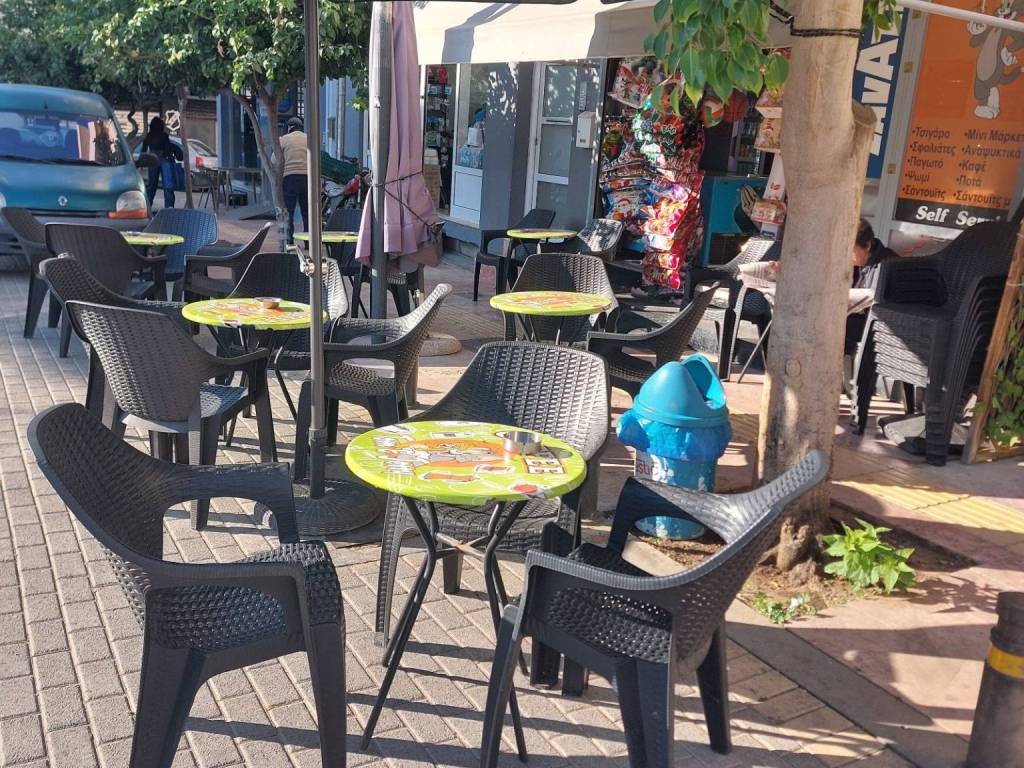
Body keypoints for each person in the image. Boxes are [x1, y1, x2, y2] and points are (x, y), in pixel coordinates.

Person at [845, 217, 898, 355]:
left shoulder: (888, 266)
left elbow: (879, 312)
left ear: (867, 246)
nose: (845, 256)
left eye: (850, 251)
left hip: (879, 337)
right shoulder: (857, 263)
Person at [141, 117, 182, 209]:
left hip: (152, 159)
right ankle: (169, 207)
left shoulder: (149, 135)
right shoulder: (164, 135)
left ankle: (147, 206)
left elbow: (144, 149)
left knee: (152, 185)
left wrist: (143, 160)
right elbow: (167, 148)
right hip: (164, 159)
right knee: (167, 184)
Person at [279, 116, 309, 243]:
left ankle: (289, 241)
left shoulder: (284, 139)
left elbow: (274, 160)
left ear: (289, 128)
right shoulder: (308, 138)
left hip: (290, 178)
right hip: (307, 178)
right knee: (307, 212)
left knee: (289, 211)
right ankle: (309, 242)